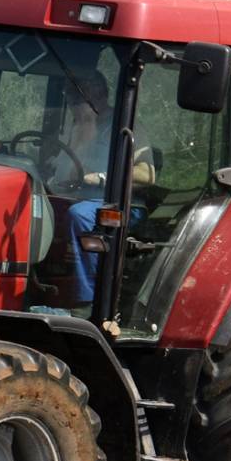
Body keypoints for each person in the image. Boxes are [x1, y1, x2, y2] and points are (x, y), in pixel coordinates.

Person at [52, 68, 152, 311]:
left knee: (80, 215)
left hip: (119, 203)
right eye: (71, 98)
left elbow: (147, 174)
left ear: (98, 95)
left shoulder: (125, 126)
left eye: (78, 98)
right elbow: (65, 170)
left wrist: (101, 178)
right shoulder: (78, 128)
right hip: (81, 197)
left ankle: (89, 301)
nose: (74, 104)